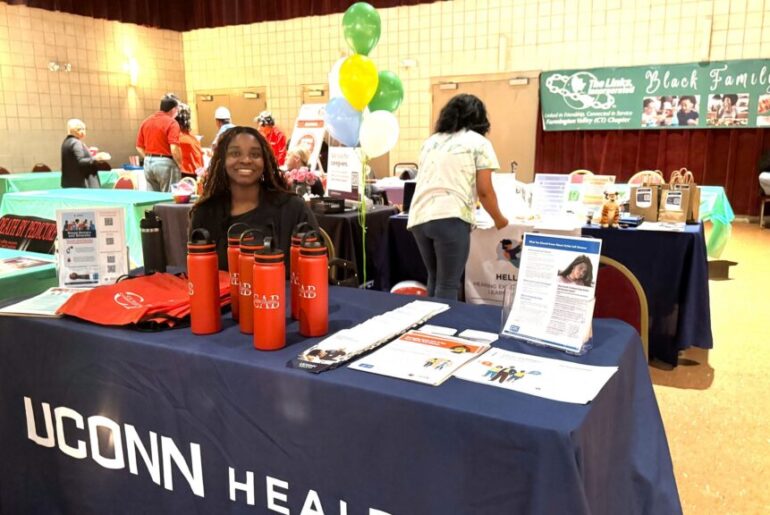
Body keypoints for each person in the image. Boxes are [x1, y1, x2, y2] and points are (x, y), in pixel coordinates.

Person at [407, 94, 509, 300]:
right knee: (448, 284)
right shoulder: (479, 143)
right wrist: (500, 219)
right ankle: (442, 330)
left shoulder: (430, 142)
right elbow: (485, 191)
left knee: (435, 278)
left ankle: (429, 329)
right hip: (450, 216)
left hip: (418, 217)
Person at [189, 126, 318, 272]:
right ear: (222, 161)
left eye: (255, 154)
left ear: (265, 162)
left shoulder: (294, 209)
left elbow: (314, 272)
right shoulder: (204, 214)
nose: (245, 160)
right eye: (235, 153)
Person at [136, 93, 183, 192]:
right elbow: (174, 148)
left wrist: (150, 158)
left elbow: (139, 147)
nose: (178, 112)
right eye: (178, 110)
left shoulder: (146, 122)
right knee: (169, 198)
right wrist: (180, 164)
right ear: (174, 109)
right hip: (165, 163)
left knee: (153, 197)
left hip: (148, 162)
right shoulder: (172, 123)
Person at [60, 119, 110, 188]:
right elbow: (80, 161)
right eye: (83, 129)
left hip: (71, 182)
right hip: (82, 183)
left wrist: (88, 153)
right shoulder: (76, 142)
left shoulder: (66, 142)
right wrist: (97, 158)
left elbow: (73, 160)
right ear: (77, 130)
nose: (84, 131)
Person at [175, 104, 203, 179]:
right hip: (194, 173)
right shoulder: (193, 139)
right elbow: (199, 160)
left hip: (182, 173)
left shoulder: (176, 138)